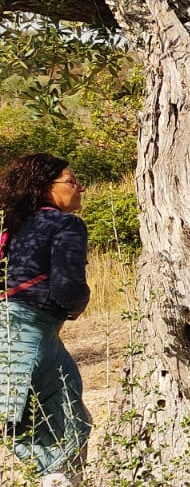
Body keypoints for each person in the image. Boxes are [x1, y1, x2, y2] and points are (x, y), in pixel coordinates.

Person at [0, 154, 91, 487]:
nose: (79, 187)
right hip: (30, 332)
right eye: (71, 181)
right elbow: (68, 286)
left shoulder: (10, 226)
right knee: (65, 424)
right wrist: (76, 304)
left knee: (20, 421)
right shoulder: (64, 224)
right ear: (45, 188)